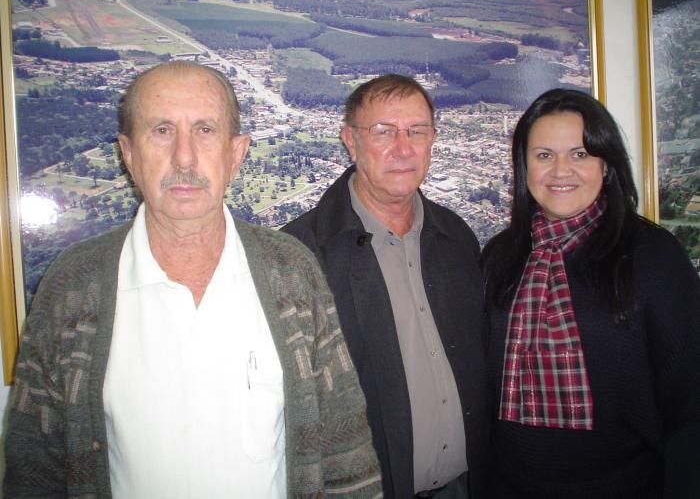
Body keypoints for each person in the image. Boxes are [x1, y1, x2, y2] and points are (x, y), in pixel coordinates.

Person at [4, 61, 382, 498]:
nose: (184, 157)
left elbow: (345, 447)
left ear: (236, 154)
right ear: (128, 154)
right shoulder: (71, 285)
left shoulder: (292, 272)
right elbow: (34, 468)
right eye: (161, 130)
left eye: (204, 130)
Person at [481, 88, 700, 498]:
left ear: (606, 164)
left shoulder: (651, 256)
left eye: (580, 154)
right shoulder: (500, 257)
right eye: (544, 155)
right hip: (508, 487)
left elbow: (689, 402)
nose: (561, 171)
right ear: (523, 166)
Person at [283, 74, 488, 498]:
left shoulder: (456, 236)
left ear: (433, 139)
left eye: (416, 131)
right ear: (350, 141)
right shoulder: (300, 255)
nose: (403, 148)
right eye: (383, 132)